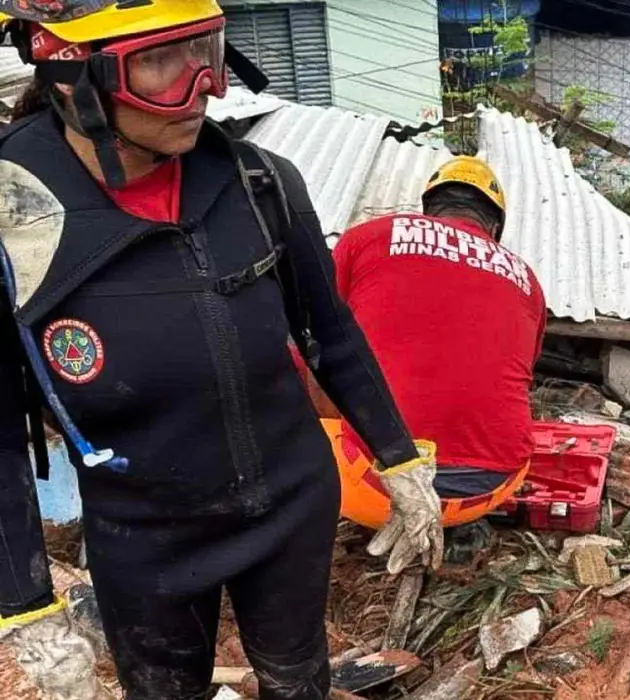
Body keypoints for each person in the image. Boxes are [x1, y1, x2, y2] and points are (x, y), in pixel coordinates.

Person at [0, 3, 442, 699]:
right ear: (68, 74)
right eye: (159, 62)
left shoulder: (259, 182)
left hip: (292, 504)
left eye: (205, 49)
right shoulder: (11, 222)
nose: (204, 86)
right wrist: (25, 607)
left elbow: (331, 334)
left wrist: (401, 459)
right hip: (145, 539)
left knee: (300, 684)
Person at [297, 157, 546, 535]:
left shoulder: (369, 236)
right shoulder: (527, 278)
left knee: (305, 352)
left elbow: (314, 335)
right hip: (487, 490)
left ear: (429, 210)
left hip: (372, 491)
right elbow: (524, 368)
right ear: (493, 226)